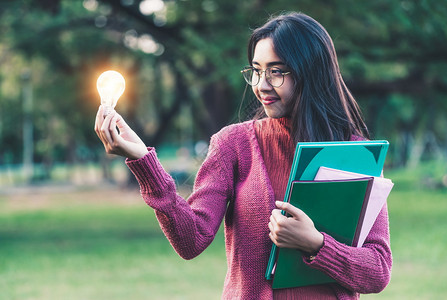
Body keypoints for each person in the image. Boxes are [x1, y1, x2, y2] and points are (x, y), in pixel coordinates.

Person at [95, 12, 392, 300]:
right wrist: (144, 164)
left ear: (310, 73)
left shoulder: (355, 153)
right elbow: (191, 240)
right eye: (257, 71)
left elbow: (377, 271)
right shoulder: (233, 144)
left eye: (277, 72)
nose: (262, 85)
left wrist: (315, 244)